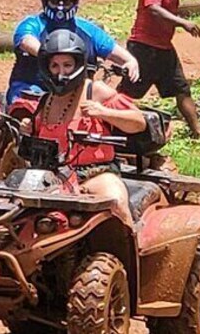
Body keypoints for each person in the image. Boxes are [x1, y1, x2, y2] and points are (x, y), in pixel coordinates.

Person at [19, 30, 147, 226]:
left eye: (67, 64)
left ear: (78, 64)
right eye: (55, 65)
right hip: (49, 176)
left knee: (116, 202)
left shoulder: (95, 91)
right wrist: (29, 128)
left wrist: (104, 112)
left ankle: (132, 246)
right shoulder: (47, 98)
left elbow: (138, 122)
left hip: (95, 174)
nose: (61, 71)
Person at [5, 0, 139, 105]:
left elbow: (112, 49)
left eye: (67, 0)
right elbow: (26, 40)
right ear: (45, 0)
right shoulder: (32, 24)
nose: (61, 5)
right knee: (27, 114)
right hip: (33, 89)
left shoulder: (88, 30)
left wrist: (130, 61)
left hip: (77, 94)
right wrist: (46, 53)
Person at [117, 0, 200, 138]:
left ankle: (199, 132)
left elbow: (166, 10)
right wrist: (183, 23)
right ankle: (110, 123)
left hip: (163, 48)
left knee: (181, 88)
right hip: (144, 48)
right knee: (128, 93)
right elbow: (153, 9)